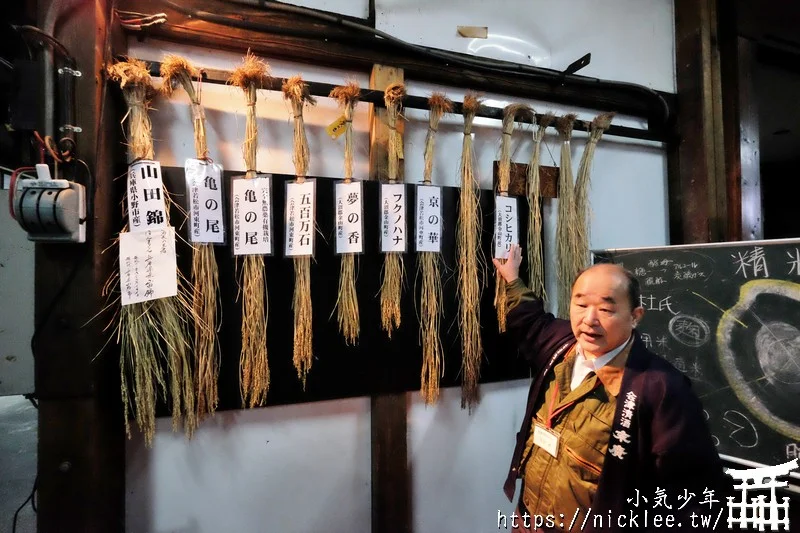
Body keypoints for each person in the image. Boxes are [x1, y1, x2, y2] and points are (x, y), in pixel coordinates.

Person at [493, 244, 731, 533]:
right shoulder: (563, 346)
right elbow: (530, 320)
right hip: (528, 518)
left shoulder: (661, 389)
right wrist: (512, 278)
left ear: (635, 316)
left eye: (606, 309)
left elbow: (693, 496)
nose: (589, 320)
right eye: (580, 305)